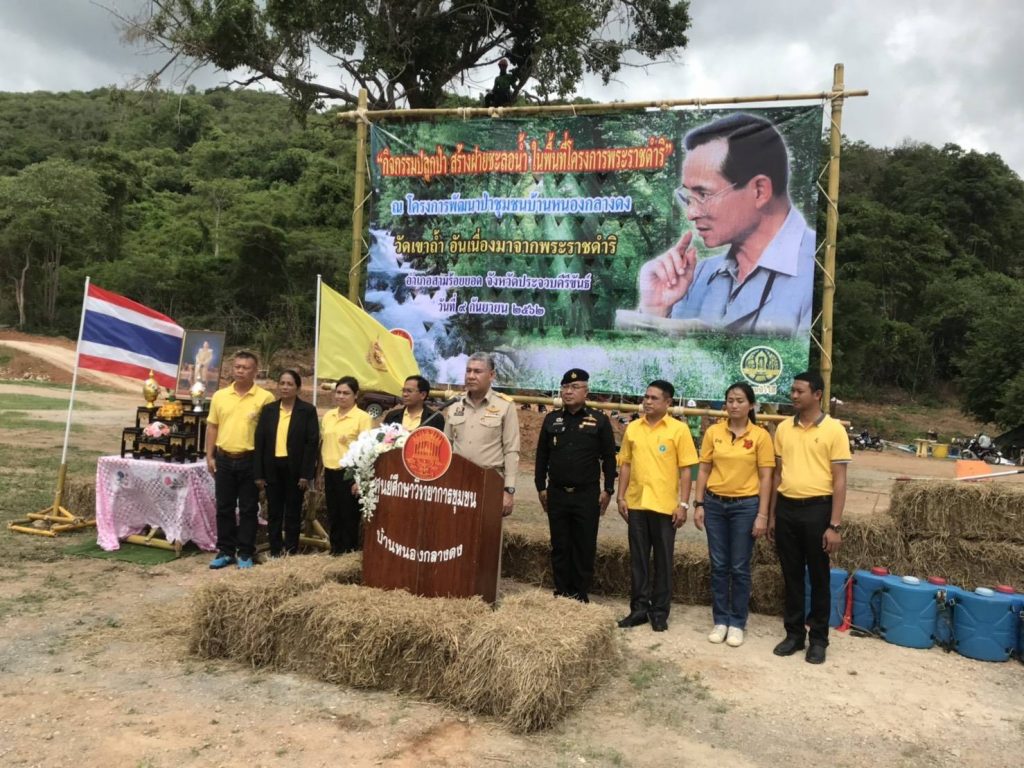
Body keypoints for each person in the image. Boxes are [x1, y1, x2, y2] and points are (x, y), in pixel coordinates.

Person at [636, 113, 815, 336]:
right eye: (688, 197)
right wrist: (656, 310)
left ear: (759, 191)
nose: (691, 213)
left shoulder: (818, 272)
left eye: (703, 194)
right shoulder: (696, 277)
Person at [768, 370, 851, 664]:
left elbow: (840, 480)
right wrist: (773, 515)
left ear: (817, 395)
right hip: (787, 509)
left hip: (818, 510)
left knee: (818, 576)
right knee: (790, 575)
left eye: (799, 391)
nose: (793, 395)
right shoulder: (783, 429)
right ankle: (793, 635)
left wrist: (834, 525)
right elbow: (778, 474)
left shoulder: (834, 430)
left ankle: (818, 639)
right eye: (792, 390)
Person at [692, 382, 775, 647]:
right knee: (718, 565)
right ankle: (720, 620)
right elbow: (704, 469)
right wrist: (698, 504)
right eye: (730, 400)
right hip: (714, 505)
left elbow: (766, 477)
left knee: (739, 566)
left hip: (745, 507)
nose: (734, 405)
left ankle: (737, 622)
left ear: (751, 405)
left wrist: (762, 514)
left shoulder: (760, 436)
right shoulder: (714, 432)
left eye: (740, 400)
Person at [616, 380, 699, 631]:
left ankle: (660, 612)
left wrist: (683, 504)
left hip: (665, 507)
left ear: (668, 402)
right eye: (646, 397)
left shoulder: (678, 430)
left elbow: (686, 470)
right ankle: (639, 610)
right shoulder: (633, 428)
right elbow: (626, 464)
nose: (648, 402)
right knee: (638, 560)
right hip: (637, 503)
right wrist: (621, 497)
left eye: (654, 398)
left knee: (663, 561)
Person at [534, 368, 617, 603]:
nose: (568, 392)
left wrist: (608, 489)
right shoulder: (552, 419)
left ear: (586, 391)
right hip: (557, 493)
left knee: (584, 545)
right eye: (565, 387)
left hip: (586, 495)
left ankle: (580, 594)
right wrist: (541, 486)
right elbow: (542, 456)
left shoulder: (599, 420)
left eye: (574, 387)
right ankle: (561, 592)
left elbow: (609, 458)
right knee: (560, 544)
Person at [205, 351, 275, 569]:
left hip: (250, 460)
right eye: (237, 367)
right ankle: (225, 550)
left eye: (245, 368)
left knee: (248, 508)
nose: (240, 371)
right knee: (224, 507)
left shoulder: (265, 398)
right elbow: (212, 426)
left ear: (255, 371)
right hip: (224, 458)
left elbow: (269, 435)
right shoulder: (220, 396)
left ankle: (245, 551)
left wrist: (263, 467)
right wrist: (209, 456)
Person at [444, 352, 519, 516]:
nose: (471, 376)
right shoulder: (455, 404)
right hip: (458, 480)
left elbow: (511, 450)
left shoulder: (505, 406)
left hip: (489, 480)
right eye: (468, 370)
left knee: (486, 529)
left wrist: (509, 490)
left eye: (477, 371)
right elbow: (446, 445)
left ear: (491, 375)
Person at [253, 370, 319, 557]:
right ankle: (275, 551)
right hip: (272, 468)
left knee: (292, 512)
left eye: (290, 384)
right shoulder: (269, 410)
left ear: (298, 388)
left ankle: (290, 551)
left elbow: (311, 444)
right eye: (282, 383)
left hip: (295, 470)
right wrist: (259, 474)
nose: (285, 387)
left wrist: (306, 474)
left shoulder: (307, 411)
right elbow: (260, 442)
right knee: (274, 512)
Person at [320, 376, 373, 554]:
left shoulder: (362, 418)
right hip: (330, 471)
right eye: (338, 392)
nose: (341, 396)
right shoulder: (329, 416)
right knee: (333, 513)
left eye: (346, 393)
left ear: (355, 395)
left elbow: (367, 450)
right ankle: (335, 550)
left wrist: (359, 478)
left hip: (350, 473)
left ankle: (348, 552)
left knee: (349, 515)